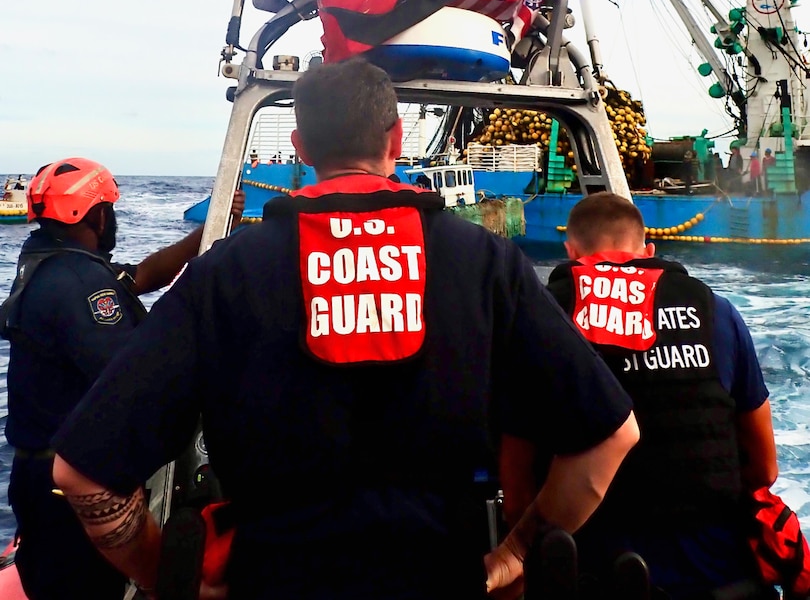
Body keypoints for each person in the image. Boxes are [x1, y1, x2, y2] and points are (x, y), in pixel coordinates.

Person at [52, 60, 639, 600]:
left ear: (302, 147)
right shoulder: (487, 263)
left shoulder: (223, 274)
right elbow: (611, 436)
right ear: (397, 139)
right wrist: (514, 553)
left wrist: (168, 579)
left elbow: (81, 474)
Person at [1, 158, 244, 600]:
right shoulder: (81, 286)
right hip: (70, 484)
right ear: (94, 214)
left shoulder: (54, 266)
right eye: (108, 208)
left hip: (38, 471)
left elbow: (141, 277)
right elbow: (134, 376)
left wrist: (207, 231)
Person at [546, 192, 778, 600]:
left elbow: (517, 481)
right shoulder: (717, 313)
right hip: (717, 572)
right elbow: (765, 470)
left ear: (571, 252)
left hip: (593, 570)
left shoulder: (546, 316)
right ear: (648, 251)